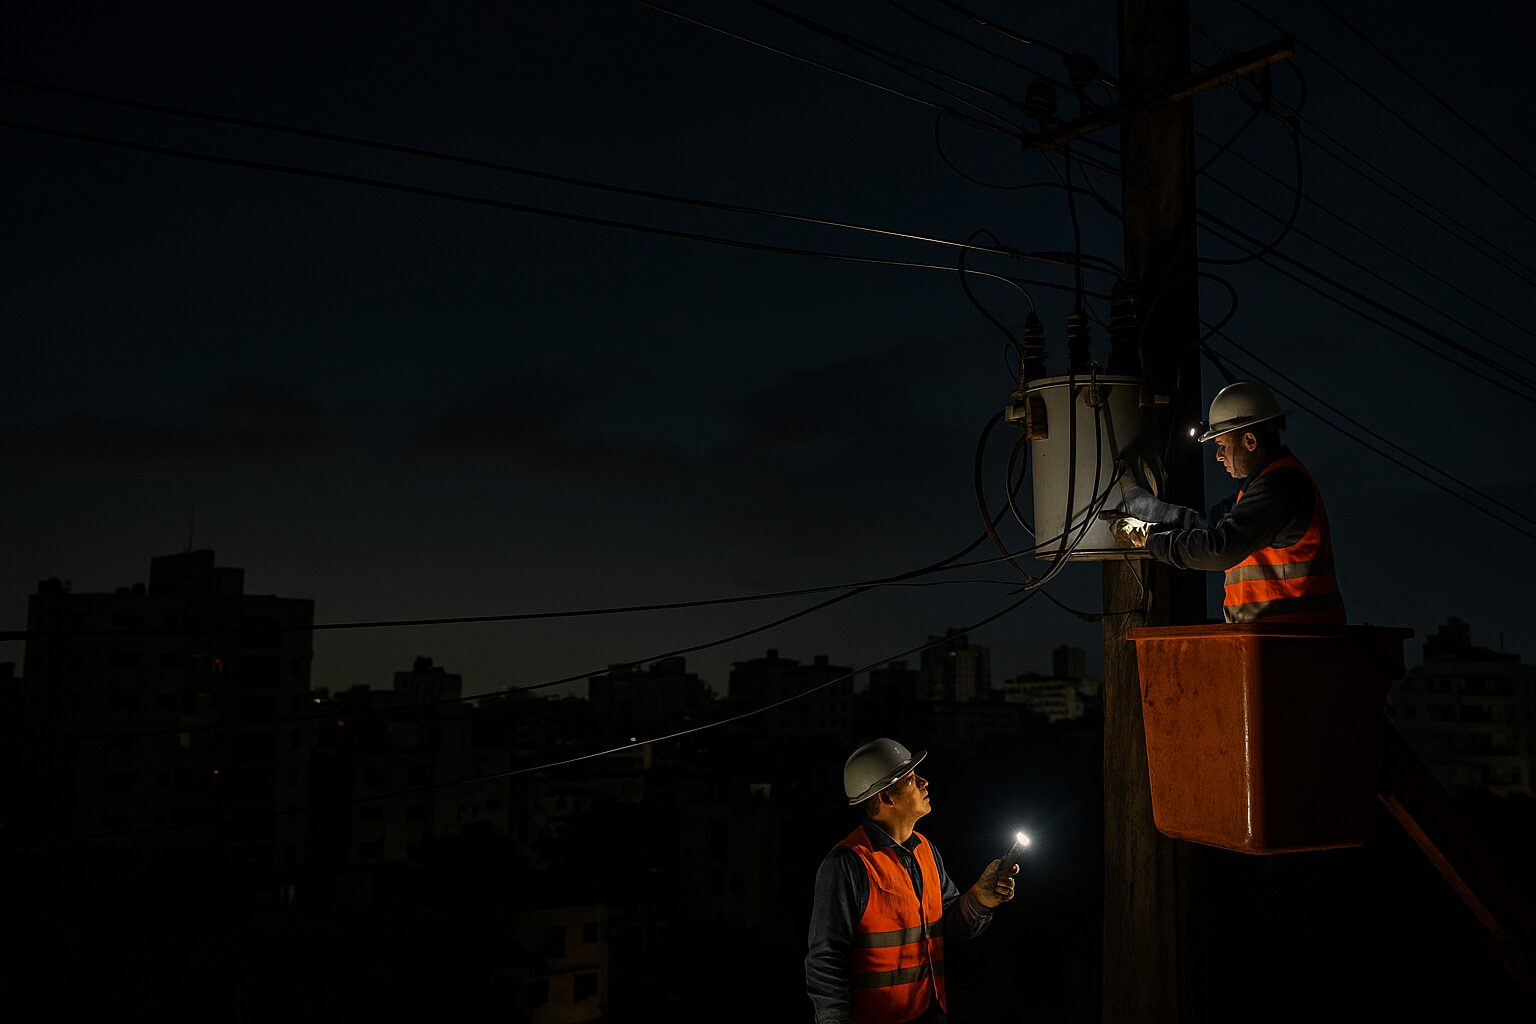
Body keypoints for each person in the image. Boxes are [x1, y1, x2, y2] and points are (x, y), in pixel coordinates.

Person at [805, 737, 1017, 1024]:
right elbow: (826, 959)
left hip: (928, 1014)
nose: (924, 782)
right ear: (887, 798)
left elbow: (945, 926)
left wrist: (981, 898)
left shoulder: (925, 850)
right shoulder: (848, 863)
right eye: (911, 778)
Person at [1110, 380, 1346, 624]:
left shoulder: (1280, 487)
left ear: (1250, 441)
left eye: (1222, 445)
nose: (1218, 456)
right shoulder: (1261, 488)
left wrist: (1151, 540)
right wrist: (1146, 508)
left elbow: (1220, 548)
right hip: (1275, 642)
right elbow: (1207, 527)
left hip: (1295, 643)